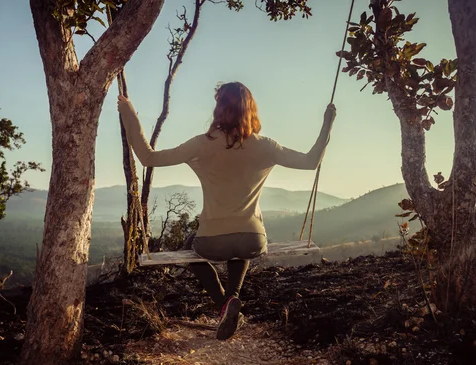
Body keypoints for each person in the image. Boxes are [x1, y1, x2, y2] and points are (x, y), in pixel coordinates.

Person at [118, 82, 336, 340]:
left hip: (213, 241)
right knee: (240, 246)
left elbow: (148, 157)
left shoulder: (202, 144)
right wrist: (327, 123)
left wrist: (128, 112)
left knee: (191, 245)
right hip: (253, 239)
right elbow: (311, 161)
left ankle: (225, 304)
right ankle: (231, 302)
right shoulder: (266, 146)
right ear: (250, 110)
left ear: (220, 109)